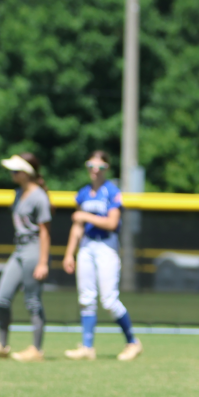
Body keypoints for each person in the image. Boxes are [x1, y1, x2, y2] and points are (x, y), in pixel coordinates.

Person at [62, 151, 142, 361]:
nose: (95, 170)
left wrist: (86, 216)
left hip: (106, 246)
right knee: (86, 298)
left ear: (107, 168)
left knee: (109, 300)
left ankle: (132, 342)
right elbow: (77, 226)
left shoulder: (111, 191)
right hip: (86, 245)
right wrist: (69, 253)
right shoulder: (83, 193)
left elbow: (112, 223)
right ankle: (87, 347)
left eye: (100, 167)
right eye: (91, 166)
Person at [0, 153, 51, 362]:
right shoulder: (18, 193)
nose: (12, 174)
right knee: (1, 299)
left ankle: (36, 349)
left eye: (16, 171)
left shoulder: (39, 197)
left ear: (27, 173)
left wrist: (43, 262)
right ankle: (2, 345)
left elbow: (45, 232)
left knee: (33, 301)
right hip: (19, 250)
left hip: (34, 250)